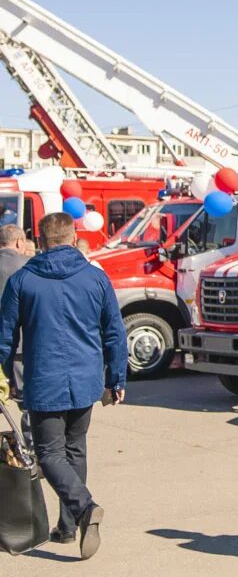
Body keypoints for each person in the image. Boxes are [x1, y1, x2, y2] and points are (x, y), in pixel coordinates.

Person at [0, 212, 128, 560]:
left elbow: (6, 337)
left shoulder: (23, 280)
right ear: (74, 239)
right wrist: (116, 378)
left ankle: (84, 509)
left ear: (39, 242)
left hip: (44, 380)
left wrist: (5, 377)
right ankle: (68, 527)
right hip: (86, 380)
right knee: (75, 450)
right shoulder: (95, 278)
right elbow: (115, 332)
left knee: (50, 453)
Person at [0, 225, 31, 448]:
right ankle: (32, 451)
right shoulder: (27, 267)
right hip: (19, 343)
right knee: (28, 402)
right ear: (20, 242)